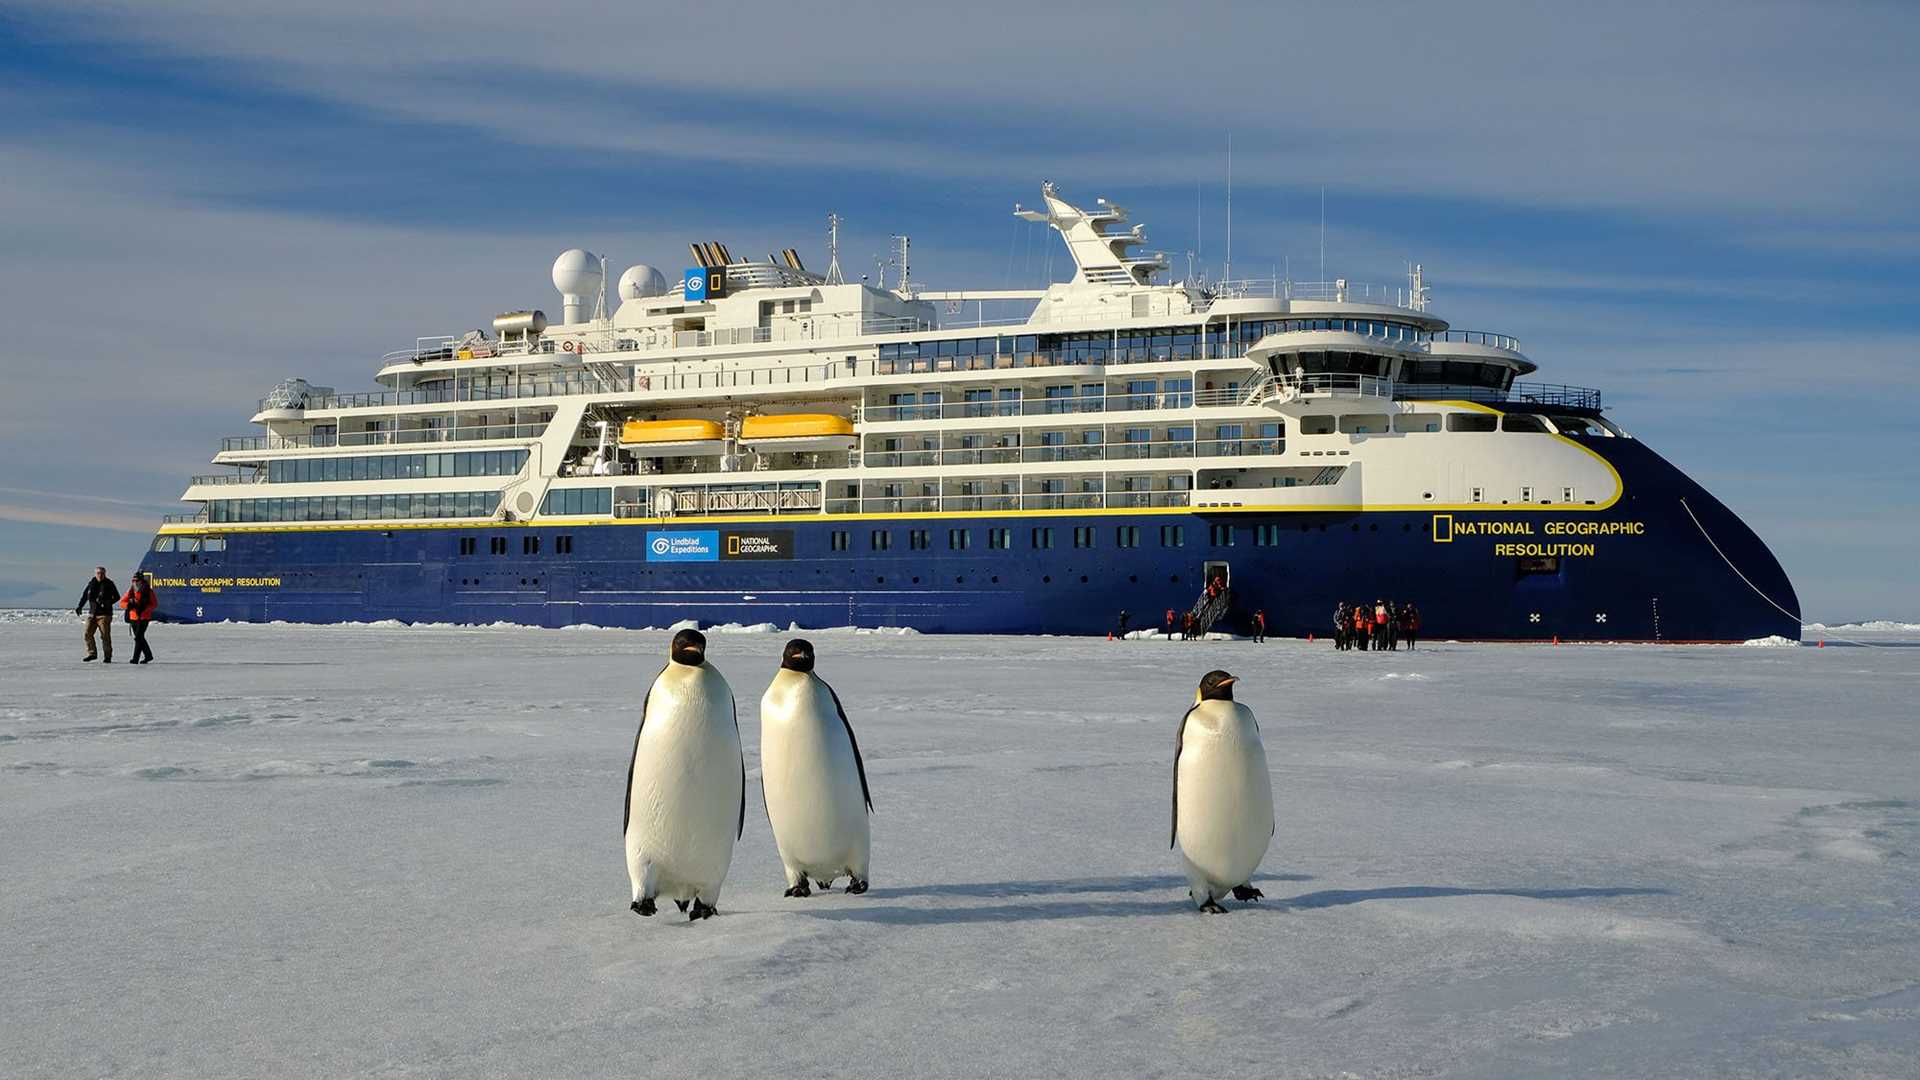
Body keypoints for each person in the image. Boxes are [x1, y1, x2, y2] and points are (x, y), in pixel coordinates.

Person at [75, 566, 119, 663]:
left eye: (102, 573)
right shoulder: (91, 583)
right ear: (95, 574)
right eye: (98, 573)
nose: (100, 575)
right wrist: (80, 606)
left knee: (105, 636)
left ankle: (108, 656)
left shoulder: (109, 584)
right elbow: (84, 596)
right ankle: (92, 654)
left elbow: (117, 597)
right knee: (87, 634)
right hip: (92, 613)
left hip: (104, 614)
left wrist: (107, 602)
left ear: (105, 574)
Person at [121, 571, 157, 664]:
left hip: (144, 618)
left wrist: (144, 609)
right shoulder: (131, 591)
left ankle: (135, 659)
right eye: (133, 580)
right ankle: (148, 656)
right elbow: (122, 603)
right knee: (140, 638)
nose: (135, 582)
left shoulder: (148, 591)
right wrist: (128, 605)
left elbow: (154, 604)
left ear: (141, 581)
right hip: (133, 618)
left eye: (137, 580)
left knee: (138, 638)